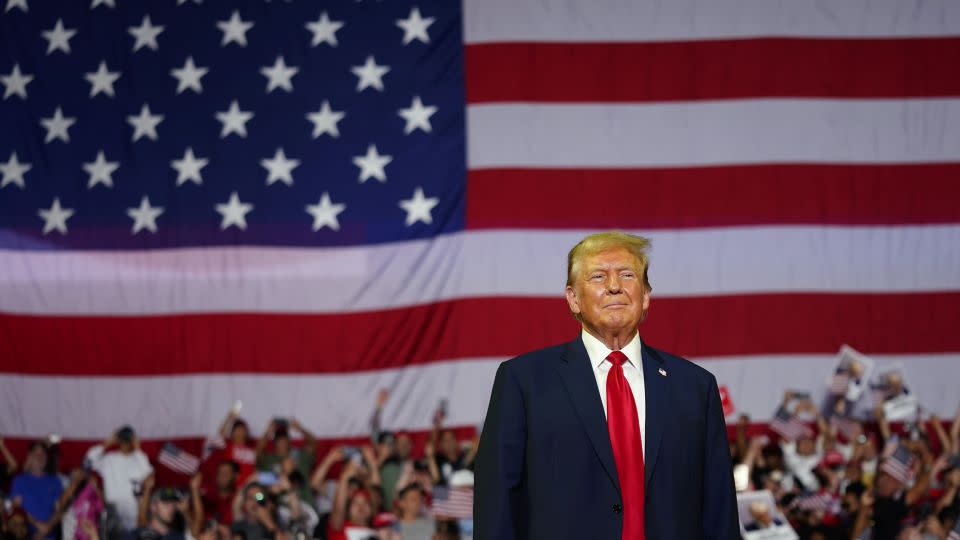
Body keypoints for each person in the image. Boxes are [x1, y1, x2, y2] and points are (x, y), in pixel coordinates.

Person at [474, 231, 739, 539]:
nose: (614, 286)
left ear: (645, 296)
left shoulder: (695, 387)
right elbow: (497, 503)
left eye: (627, 275)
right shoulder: (523, 381)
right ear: (573, 299)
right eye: (598, 277)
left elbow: (719, 509)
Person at [83, 426, 154, 532]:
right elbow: (88, 461)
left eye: (128, 439)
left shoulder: (139, 458)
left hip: (133, 508)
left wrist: (137, 448)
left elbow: (149, 474)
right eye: (123, 439)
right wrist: (108, 442)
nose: (125, 442)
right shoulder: (109, 459)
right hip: (112, 507)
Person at [10, 442, 63, 539]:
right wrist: (36, 524)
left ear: (46, 458)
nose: (40, 457)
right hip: (26, 534)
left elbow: (59, 510)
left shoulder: (55, 481)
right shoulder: (19, 480)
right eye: (36, 454)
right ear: (30, 456)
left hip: (49, 534)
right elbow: (17, 509)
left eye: (43, 454)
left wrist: (47, 527)